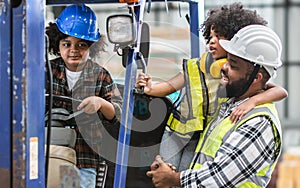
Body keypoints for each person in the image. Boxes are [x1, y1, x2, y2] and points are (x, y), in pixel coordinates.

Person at [136, 2, 287, 172]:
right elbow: (171, 85)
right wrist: (150, 88)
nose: (212, 41)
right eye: (211, 36)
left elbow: (280, 91)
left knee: (183, 174)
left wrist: (253, 102)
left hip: (199, 137)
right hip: (177, 132)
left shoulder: (239, 78)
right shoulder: (197, 66)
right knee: (164, 168)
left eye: (220, 36)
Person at [45, 4, 121, 188]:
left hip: (85, 158)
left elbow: (118, 114)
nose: (73, 50)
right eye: (66, 44)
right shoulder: (44, 71)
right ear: (56, 44)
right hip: (51, 154)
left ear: (92, 47)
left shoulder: (101, 75)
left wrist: (100, 103)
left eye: (82, 44)